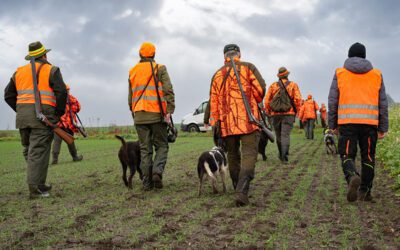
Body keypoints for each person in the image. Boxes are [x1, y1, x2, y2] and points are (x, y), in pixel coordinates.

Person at [4, 41, 67, 198]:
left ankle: (39, 184)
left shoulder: (18, 72)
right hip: (43, 118)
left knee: (31, 150)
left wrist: (21, 110)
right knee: (38, 152)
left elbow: (8, 95)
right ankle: (35, 189)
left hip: (23, 118)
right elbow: (62, 93)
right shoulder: (51, 70)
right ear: (44, 55)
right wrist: (57, 115)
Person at [328, 42, 389, 202]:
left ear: (349, 56)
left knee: (347, 154)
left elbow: (333, 100)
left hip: (347, 123)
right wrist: (383, 127)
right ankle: (365, 192)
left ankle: (351, 176)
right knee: (368, 157)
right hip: (370, 124)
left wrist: (332, 124)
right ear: (365, 56)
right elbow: (382, 102)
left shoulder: (340, 73)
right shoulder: (376, 74)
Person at [208, 44, 266, 206]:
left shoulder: (218, 75)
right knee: (249, 154)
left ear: (224, 55)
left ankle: (236, 186)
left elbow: (213, 102)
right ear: (239, 54)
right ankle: (242, 189)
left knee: (232, 155)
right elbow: (260, 91)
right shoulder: (249, 68)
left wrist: (216, 124)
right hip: (248, 120)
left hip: (227, 124)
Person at [128, 42, 175, 191]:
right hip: (156, 115)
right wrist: (170, 109)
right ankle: (157, 172)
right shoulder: (159, 68)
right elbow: (168, 89)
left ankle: (147, 183)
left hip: (139, 116)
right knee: (161, 145)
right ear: (154, 54)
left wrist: (134, 111)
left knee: (145, 149)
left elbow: (130, 96)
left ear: (140, 54)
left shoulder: (133, 70)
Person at [264, 67, 302, 164]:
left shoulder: (273, 85)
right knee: (285, 135)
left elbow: (267, 100)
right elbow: (298, 100)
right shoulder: (293, 85)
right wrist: (296, 111)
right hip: (288, 114)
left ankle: (281, 154)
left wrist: (268, 111)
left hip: (275, 115)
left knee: (278, 135)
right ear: (287, 75)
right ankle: (284, 156)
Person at [51, 84, 83, 164]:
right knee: (70, 141)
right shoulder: (71, 99)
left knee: (57, 142)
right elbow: (78, 108)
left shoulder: (54, 98)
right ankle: (75, 157)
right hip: (69, 124)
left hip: (58, 123)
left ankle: (55, 160)